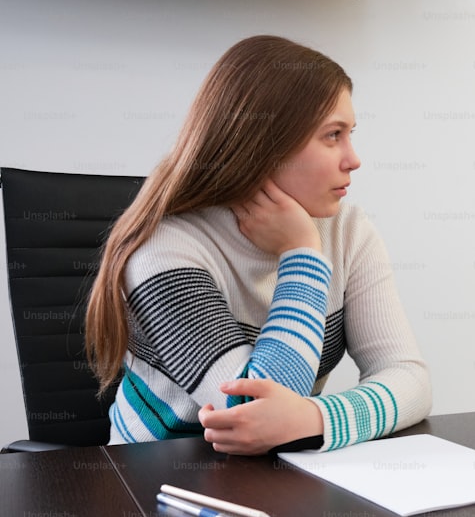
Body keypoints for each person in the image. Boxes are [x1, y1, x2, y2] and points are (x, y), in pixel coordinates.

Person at [86, 35, 431, 454]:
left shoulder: (349, 231)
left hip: (278, 476)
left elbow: (410, 379)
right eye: (332, 135)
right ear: (265, 144)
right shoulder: (163, 250)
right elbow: (249, 406)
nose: (353, 158)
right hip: (156, 480)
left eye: (350, 134)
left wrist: (315, 418)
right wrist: (302, 254)